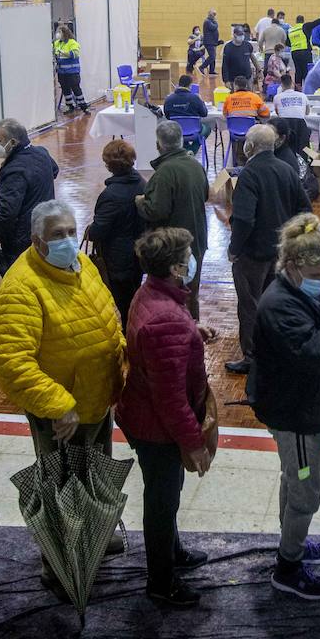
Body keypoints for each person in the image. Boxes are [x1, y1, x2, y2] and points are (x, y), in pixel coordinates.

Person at [0, 201, 125, 596]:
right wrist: (58, 403)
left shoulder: (82, 267)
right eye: (58, 235)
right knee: (62, 491)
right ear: (37, 241)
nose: (68, 240)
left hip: (97, 400)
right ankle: (61, 567)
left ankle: (96, 536)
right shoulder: (22, 286)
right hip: (63, 414)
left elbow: (108, 318)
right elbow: (13, 363)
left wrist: (121, 359)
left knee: (96, 478)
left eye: (71, 231)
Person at [247, 213, 320, 601]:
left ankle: (292, 542)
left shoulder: (301, 292)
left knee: (294, 481)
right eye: (316, 273)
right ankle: (288, 568)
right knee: (306, 491)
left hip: (307, 408)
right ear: (291, 265)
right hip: (295, 415)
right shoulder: (279, 306)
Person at [118, 227, 215, 608]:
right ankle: (161, 581)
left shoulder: (150, 292)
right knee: (162, 502)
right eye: (189, 255)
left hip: (143, 413)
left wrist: (190, 331)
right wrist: (193, 443)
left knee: (168, 493)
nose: (193, 261)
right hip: (155, 427)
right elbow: (172, 398)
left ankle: (173, 553)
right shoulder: (166, 319)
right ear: (177, 267)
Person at [225, 124, 311, 376]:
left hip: (252, 253)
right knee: (273, 302)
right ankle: (273, 347)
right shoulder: (287, 169)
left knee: (250, 305)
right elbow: (305, 211)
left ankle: (252, 356)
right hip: (280, 252)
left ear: (249, 146)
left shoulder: (249, 174)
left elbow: (243, 219)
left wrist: (234, 248)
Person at [136, 120, 209, 319]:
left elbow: (156, 211)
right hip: (197, 242)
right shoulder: (195, 165)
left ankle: (184, 335)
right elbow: (205, 195)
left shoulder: (165, 173)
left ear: (158, 145)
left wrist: (140, 202)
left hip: (176, 249)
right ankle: (194, 332)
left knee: (177, 295)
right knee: (190, 293)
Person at [0, 119, 58, 270]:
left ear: (13, 142)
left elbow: (6, 213)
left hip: (21, 239)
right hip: (45, 226)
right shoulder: (41, 152)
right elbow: (54, 170)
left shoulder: (14, 171)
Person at [87, 138, 146, 328]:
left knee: (124, 304)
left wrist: (90, 230)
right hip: (139, 253)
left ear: (109, 165)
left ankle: (132, 343)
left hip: (118, 259)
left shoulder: (111, 195)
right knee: (134, 298)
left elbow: (98, 231)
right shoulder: (142, 184)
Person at [53, 24, 89, 115]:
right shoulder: (57, 43)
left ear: (65, 33)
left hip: (72, 72)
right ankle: (70, 106)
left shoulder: (72, 42)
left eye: (59, 32)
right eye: (57, 32)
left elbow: (74, 54)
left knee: (76, 89)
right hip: (62, 72)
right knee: (65, 90)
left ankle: (84, 107)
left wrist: (62, 53)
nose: (58, 34)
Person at [286, 14, 310, 85]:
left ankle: (297, 87)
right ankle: (306, 87)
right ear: (303, 21)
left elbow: (287, 42)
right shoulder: (304, 27)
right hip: (304, 51)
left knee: (298, 70)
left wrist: (294, 44)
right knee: (306, 70)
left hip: (294, 52)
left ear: (296, 21)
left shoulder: (291, 30)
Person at [202, 11, 221, 75]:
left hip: (213, 42)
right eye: (214, 15)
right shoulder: (207, 21)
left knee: (213, 56)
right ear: (210, 15)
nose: (215, 16)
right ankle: (201, 67)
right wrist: (216, 21)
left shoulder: (210, 21)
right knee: (212, 56)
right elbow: (214, 27)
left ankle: (212, 70)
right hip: (209, 42)